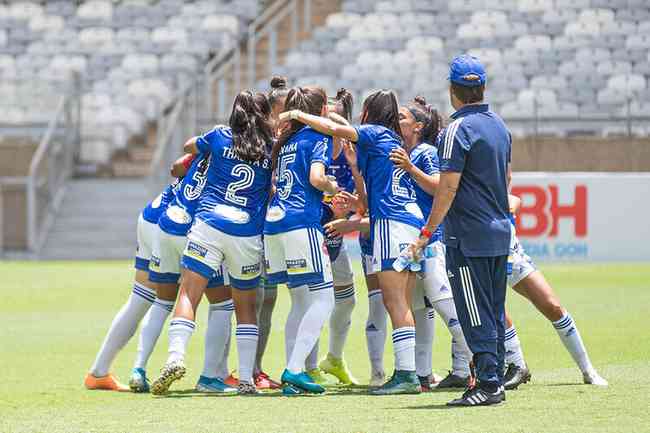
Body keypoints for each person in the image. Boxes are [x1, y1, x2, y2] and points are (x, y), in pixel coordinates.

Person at [280, 89, 425, 395]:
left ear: (368, 113)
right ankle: (409, 373)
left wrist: (296, 114)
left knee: (393, 301)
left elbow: (333, 128)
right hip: (410, 222)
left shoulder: (373, 132)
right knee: (405, 301)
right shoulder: (392, 140)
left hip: (391, 224)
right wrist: (355, 176)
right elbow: (370, 195)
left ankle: (406, 376)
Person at [150, 91, 274, 395]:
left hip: (209, 225)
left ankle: (175, 357)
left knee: (189, 295)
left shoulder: (219, 136)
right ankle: (246, 377)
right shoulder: (272, 148)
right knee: (245, 308)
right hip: (246, 234)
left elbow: (189, 146)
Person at [409, 54, 512, 406]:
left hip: (467, 236)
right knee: (494, 310)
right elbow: (507, 179)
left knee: (473, 311)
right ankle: (495, 377)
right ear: (481, 87)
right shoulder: (499, 125)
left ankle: (487, 384)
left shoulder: (456, 130)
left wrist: (427, 233)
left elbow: (447, 188)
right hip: (500, 232)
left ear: (453, 90)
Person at [127, 152, 235, 394]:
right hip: (198, 230)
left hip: (168, 225)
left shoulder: (208, 146)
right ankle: (209, 376)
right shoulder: (240, 154)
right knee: (222, 303)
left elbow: (175, 168)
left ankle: (138, 369)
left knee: (163, 301)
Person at [389, 96, 473, 391]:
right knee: (419, 308)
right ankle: (423, 373)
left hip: (432, 240)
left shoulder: (424, 152)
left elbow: (440, 187)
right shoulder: (402, 153)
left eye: (402, 118)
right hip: (414, 241)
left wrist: (411, 169)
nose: (396, 122)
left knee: (443, 303)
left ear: (419, 126)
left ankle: (483, 361)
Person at [264, 85, 338, 395]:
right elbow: (316, 179)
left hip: (275, 224)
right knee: (325, 298)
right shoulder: (316, 137)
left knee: (300, 300)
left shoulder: (285, 141)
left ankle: (292, 370)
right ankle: (294, 369)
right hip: (300, 223)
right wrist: (333, 188)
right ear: (321, 110)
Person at [501, 194, 607, 389]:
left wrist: (507, 207)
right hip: (482, 253)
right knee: (495, 309)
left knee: (553, 306)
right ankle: (516, 365)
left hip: (512, 255)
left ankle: (588, 370)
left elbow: (514, 199)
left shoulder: (493, 172)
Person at [84, 181, 178, 391]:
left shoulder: (202, 149)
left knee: (140, 299)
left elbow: (177, 167)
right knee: (214, 300)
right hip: (172, 223)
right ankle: (215, 374)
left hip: (153, 214)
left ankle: (99, 372)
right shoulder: (237, 150)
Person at [306, 88, 359, 386]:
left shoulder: (353, 158)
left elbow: (358, 203)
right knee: (314, 300)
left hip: (335, 236)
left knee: (347, 300)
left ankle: (334, 358)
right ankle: (309, 365)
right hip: (312, 236)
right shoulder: (314, 151)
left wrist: (345, 214)